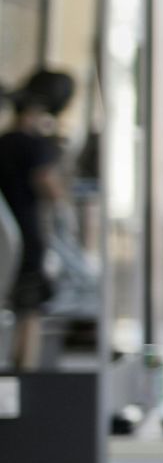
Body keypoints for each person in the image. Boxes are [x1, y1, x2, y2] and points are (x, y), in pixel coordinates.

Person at [0, 68, 75, 369]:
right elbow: (49, 187)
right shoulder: (35, 146)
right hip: (25, 237)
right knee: (30, 310)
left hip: (7, 238)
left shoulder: (5, 141)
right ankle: (23, 376)